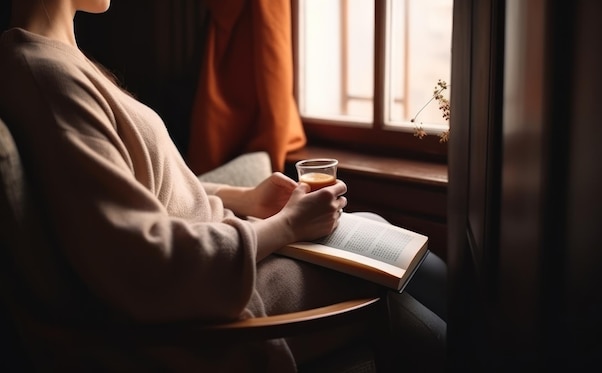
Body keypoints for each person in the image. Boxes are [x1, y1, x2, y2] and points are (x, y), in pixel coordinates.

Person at [0, 0, 446, 371]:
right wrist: (286, 227)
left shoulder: (61, 63)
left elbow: (144, 194)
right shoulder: (46, 79)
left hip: (225, 257)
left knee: (405, 249)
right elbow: (143, 259)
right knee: (416, 297)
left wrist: (243, 198)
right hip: (217, 304)